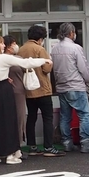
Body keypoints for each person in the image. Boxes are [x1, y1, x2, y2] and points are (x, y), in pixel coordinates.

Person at [0, 35, 45, 164]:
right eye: (1, 43)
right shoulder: (4, 58)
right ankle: (11, 154)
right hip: (5, 90)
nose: (4, 46)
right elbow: (25, 63)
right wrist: (44, 60)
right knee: (9, 121)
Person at [53, 23, 89, 154]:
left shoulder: (54, 48)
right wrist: (88, 78)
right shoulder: (75, 48)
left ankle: (67, 142)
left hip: (61, 87)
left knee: (65, 116)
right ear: (71, 33)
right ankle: (86, 142)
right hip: (76, 85)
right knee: (85, 115)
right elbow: (83, 68)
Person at [19, 25, 60, 157]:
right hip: (42, 89)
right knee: (48, 118)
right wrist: (51, 64)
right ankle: (48, 147)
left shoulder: (21, 49)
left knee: (31, 117)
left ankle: (32, 146)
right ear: (41, 38)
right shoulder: (39, 49)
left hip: (28, 90)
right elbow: (46, 69)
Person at [4, 35, 30, 153]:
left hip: (6, 92)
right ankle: (17, 146)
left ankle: (10, 146)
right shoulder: (17, 59)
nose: (15, 46)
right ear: (8, 47)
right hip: (18, 92)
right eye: (13, 43)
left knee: (9, 119)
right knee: (19, 118)